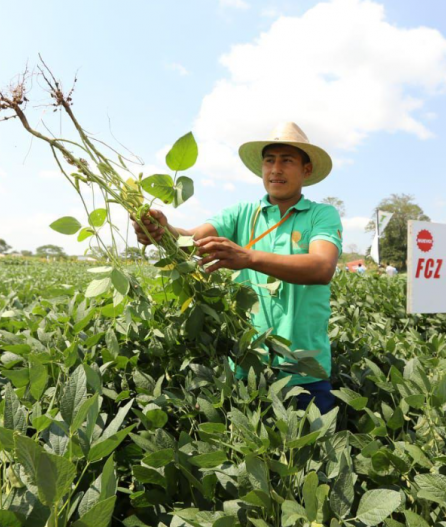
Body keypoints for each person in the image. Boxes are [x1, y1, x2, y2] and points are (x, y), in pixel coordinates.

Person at [132, 122, 341, 414]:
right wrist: (161, 230)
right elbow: (191, 240)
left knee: (310, 452)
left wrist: (249, 257)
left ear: (306, 170)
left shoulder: (322, 215)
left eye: (287, 161)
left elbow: (321, 267)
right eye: (269, 161)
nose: (275, 169)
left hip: (305, 367)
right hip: (248, 364)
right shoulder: (242, 213)